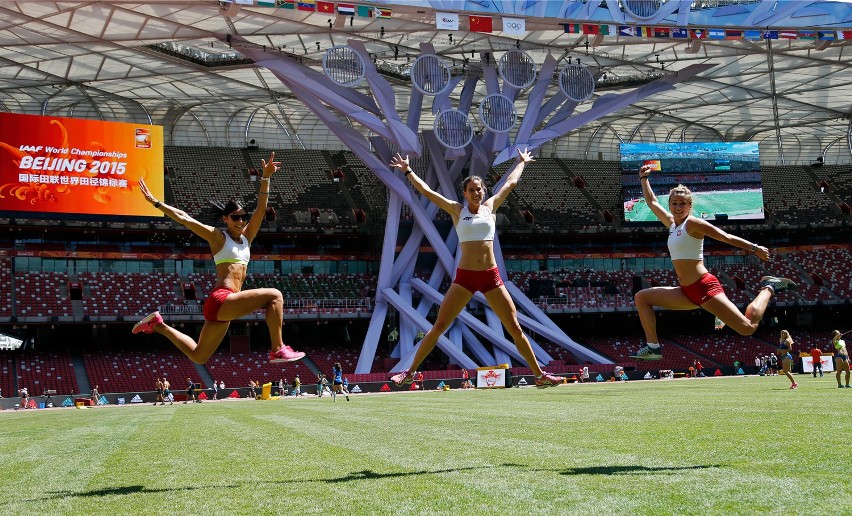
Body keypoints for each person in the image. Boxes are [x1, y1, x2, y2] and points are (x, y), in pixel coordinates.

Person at [388, 149, 564, 388]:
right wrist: (408, 171)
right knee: (439, 327)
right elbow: (427, 192)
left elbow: (510, 183)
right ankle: (409, 372)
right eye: (471, 190)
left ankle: (540, 375)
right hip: (465, 278)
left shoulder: (490, 208)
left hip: (491, 277)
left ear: (484, 191)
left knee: (514, 328)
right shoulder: (456, 210)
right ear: (465, 193)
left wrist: (521, 162)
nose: (476, 193)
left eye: (479, 189)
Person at [132, 152, 305, 366]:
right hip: (221, 299)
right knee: (275, 296)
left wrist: (266, 177)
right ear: (225, 219)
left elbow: (261, 208)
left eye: (243, 216)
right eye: (235, 217)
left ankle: (158, 325)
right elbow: (185, 218)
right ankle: (277, 349)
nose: (240, 221)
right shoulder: (218, 237)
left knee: (199, 356)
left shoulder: (247, 237)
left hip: (225, 306)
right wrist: (157, 203)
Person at [631, 163, 797, 360]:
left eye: (682, 203)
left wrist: (754, 248)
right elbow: (652, 203)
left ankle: (769, 288)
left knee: (748, 328)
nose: (678, 207)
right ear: (670, 205)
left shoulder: (693, 223)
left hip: (703, 288)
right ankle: (653, 348)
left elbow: (726, 237)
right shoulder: (671, 224)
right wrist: (643, 179)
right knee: (642, 297)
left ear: (690, 206)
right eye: (674, 203)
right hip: (686, 291)